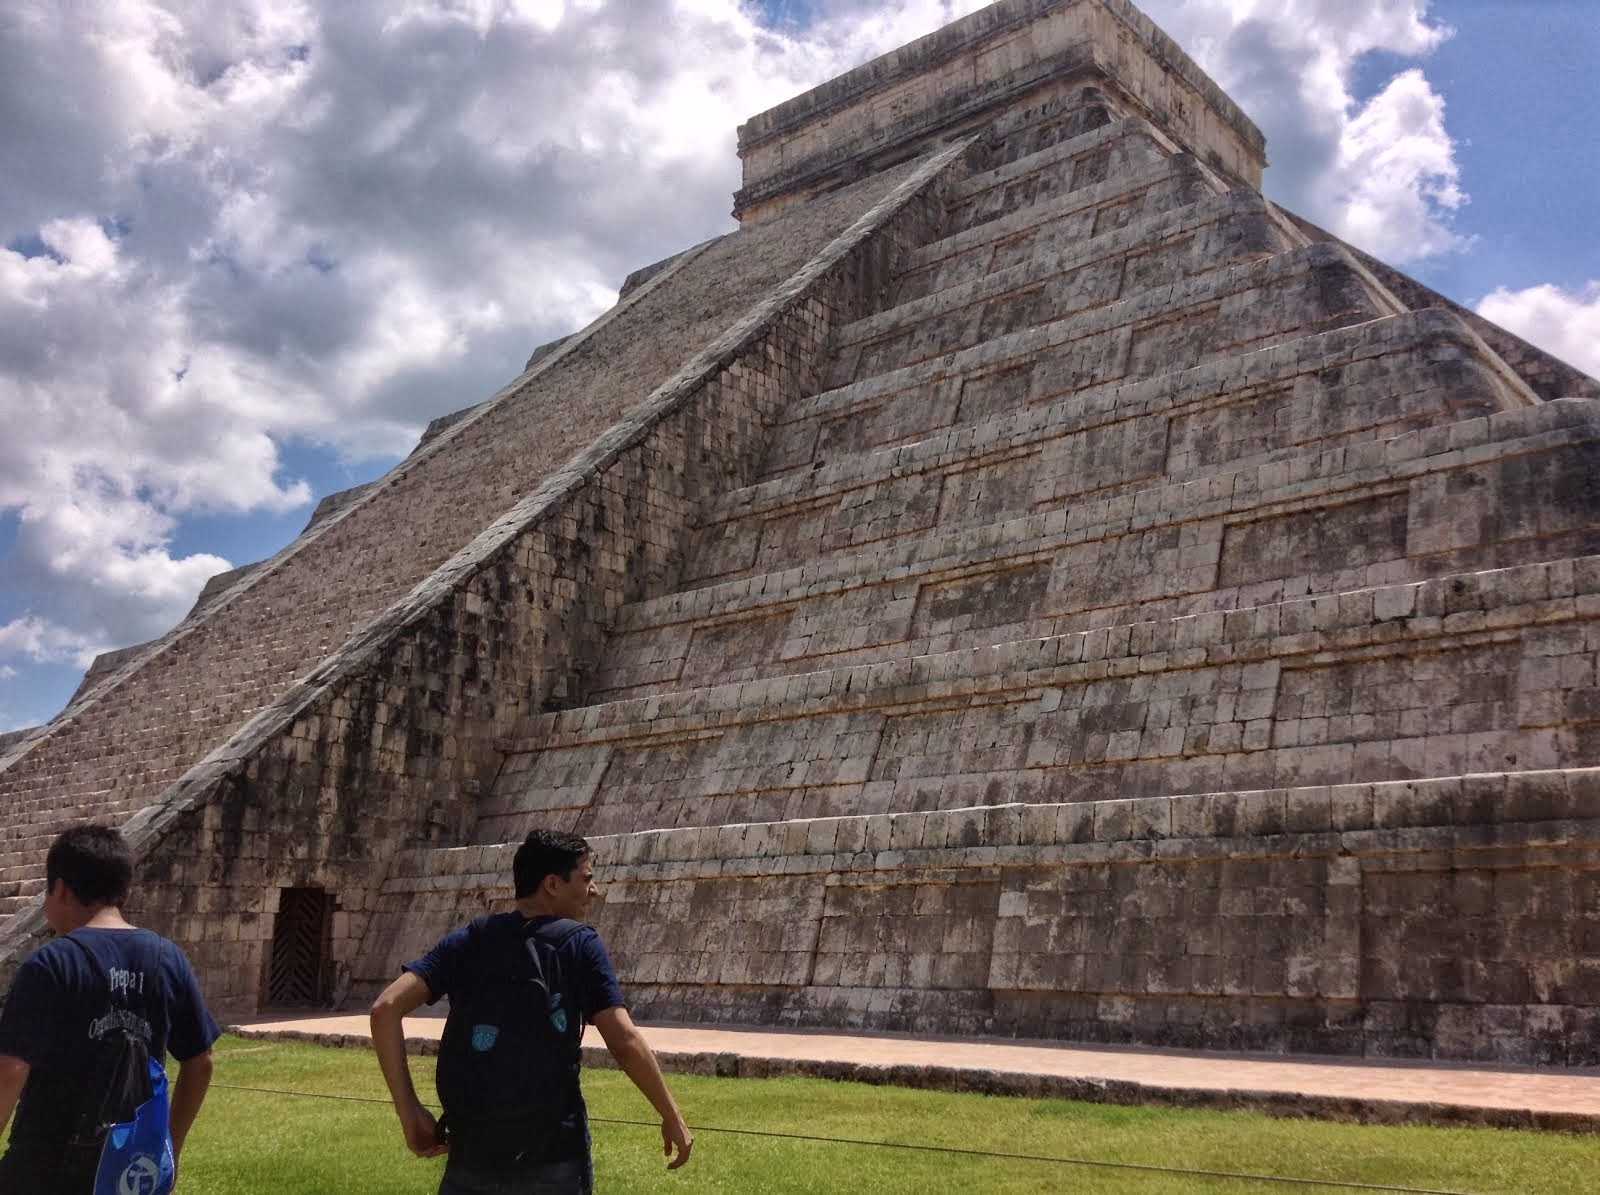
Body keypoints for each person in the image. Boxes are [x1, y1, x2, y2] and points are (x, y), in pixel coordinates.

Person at [372, 828, 692, 1194]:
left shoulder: (471, 941)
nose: (595, 890)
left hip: (473, 1149)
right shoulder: (580, 945)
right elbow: (623, 1040)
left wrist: (409, 1111)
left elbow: (385, 1009)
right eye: (586, 878)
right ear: (553, 884)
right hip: (552, 1154)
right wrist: (672, 1116)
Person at [0, 823, 220, 1193]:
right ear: (126, 894)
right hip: (127, 1171)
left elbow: (11, 1069)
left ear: (60, 889)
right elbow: (201, 1062)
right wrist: (169, 1147)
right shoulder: (168, 959)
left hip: (44, 1168)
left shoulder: (51, 963)